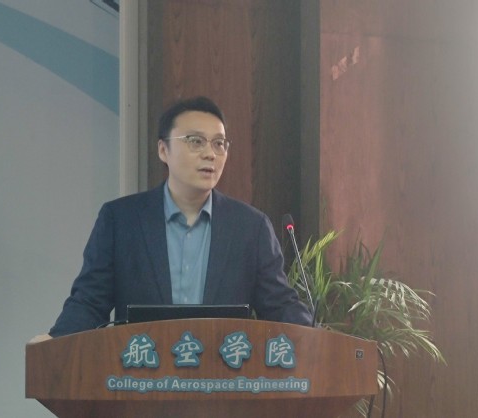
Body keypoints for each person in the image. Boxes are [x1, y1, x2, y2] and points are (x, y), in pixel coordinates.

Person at [32, 96, 312, 342]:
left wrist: (318, 339)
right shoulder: (120, 221)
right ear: (163, 150)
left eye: (219, 144)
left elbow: (279, 305)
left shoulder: (250, 227)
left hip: (224, 377)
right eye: (195, 141)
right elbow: (90, 302)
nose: (210, 154)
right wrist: (57, 341)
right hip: (139, 376)